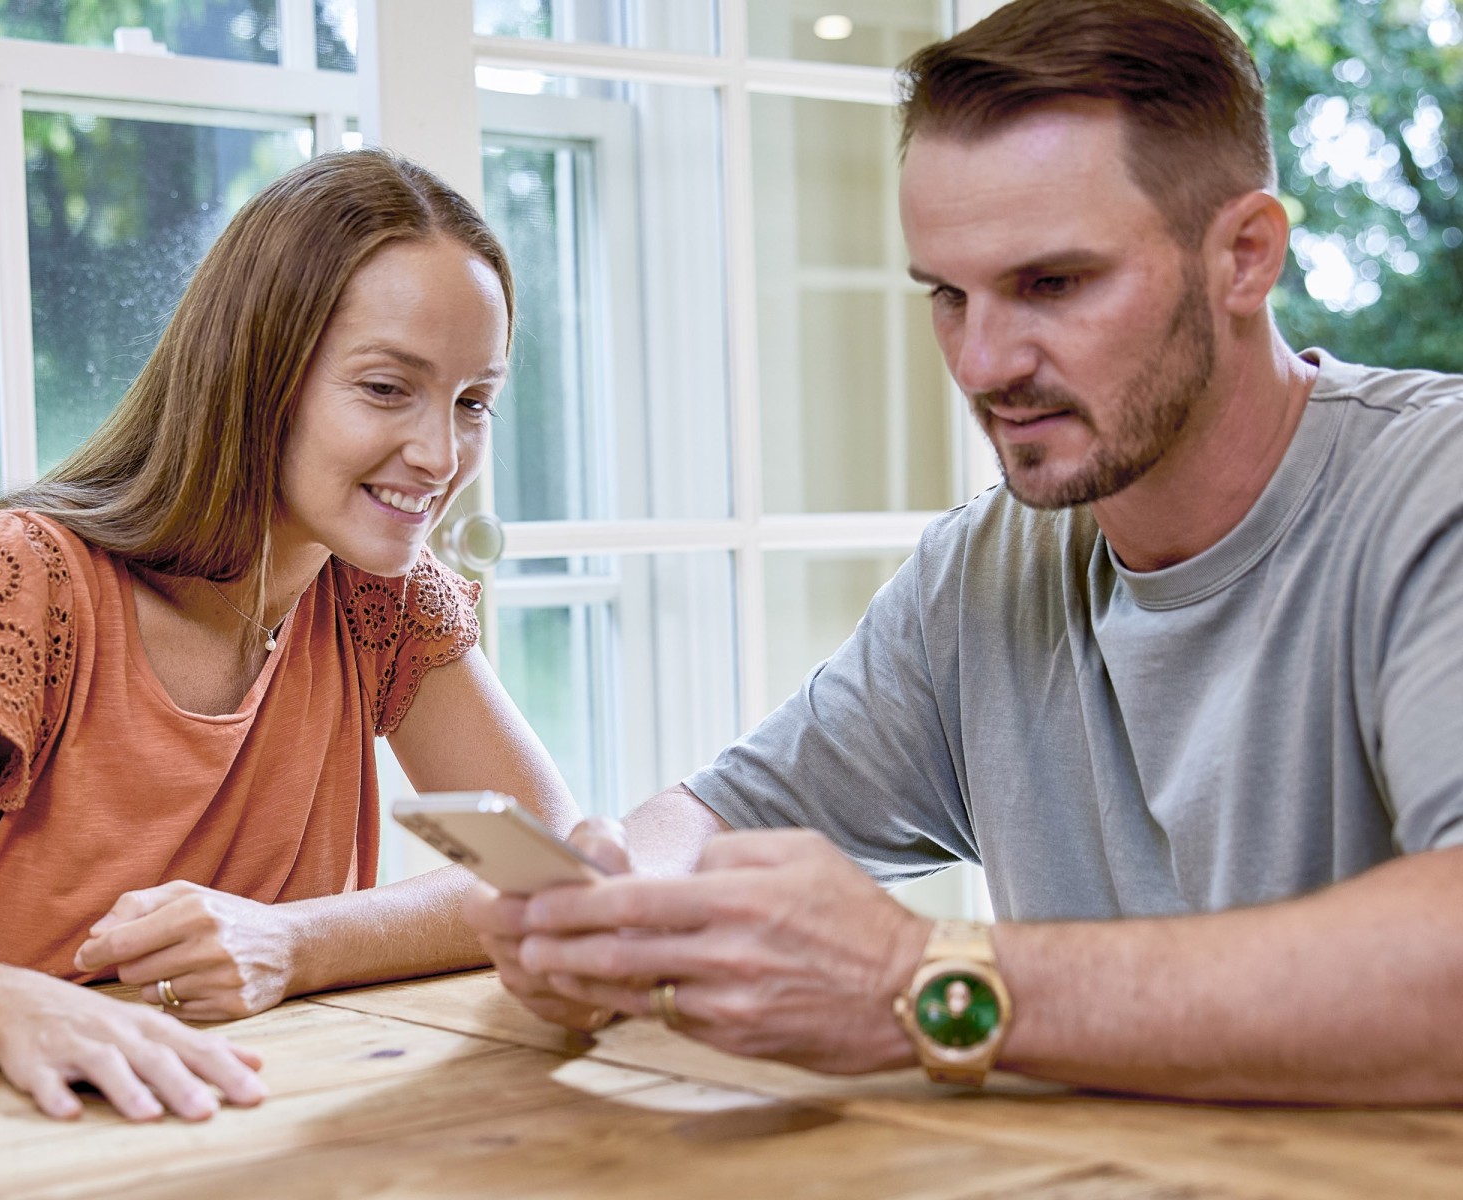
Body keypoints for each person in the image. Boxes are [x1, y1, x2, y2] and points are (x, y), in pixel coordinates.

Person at [465, 0, 1463, 1103]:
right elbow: (717, 818)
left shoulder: (1433, 496)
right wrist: (610, 916)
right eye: (948, 294)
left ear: (1245, 255)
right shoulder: (989, 570)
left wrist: (927, 983)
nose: (982, 364)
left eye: (1053, 284)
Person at [0, 150, 578, 1122]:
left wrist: (294, 942)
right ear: (260, 371)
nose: (443, 456)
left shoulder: (384, 598)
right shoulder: (18, 581)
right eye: (385, 388)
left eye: (473, 401)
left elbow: (546, 872)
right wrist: (5, 1004)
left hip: (223, 1132)